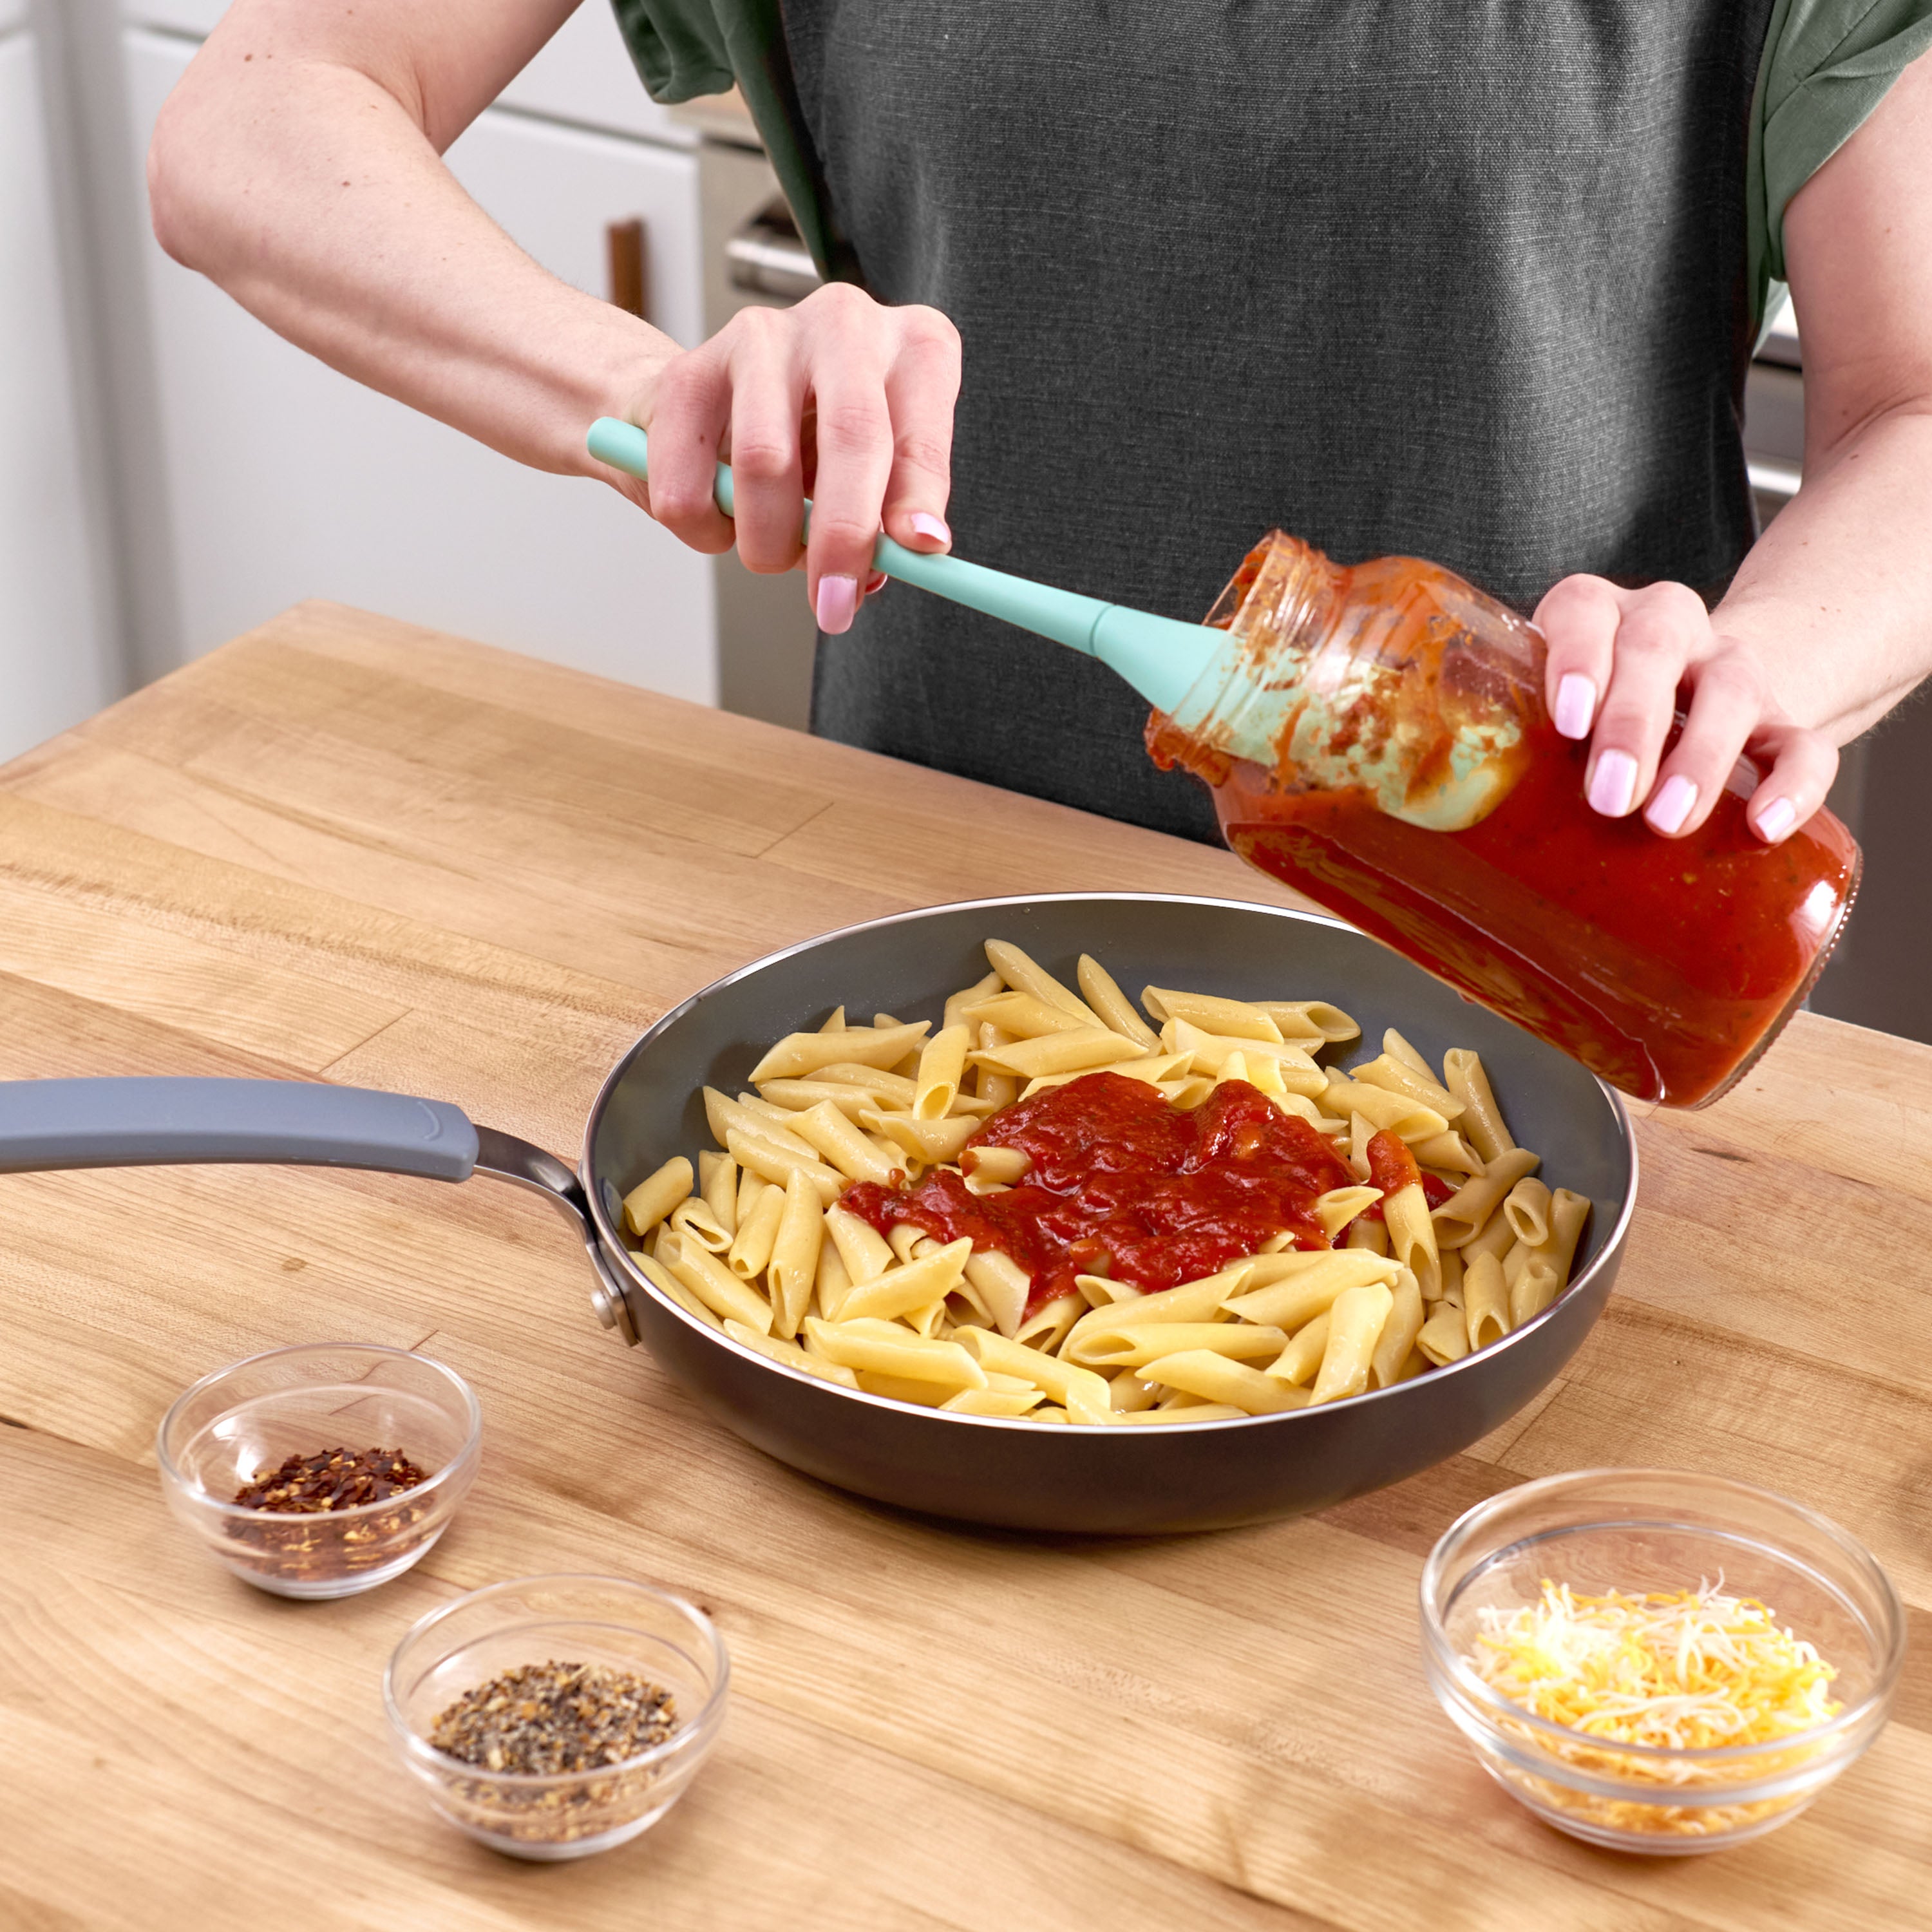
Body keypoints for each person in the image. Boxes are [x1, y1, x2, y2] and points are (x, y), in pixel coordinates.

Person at [149, 2, 1932, 849]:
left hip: (1539, 976)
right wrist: (646, 394)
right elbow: (258, 120)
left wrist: (1757, 667)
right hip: (922, 946)